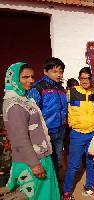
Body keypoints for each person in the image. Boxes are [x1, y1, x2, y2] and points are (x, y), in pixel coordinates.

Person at [3, 62, 60, 199]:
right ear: (14, 79)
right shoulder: (15, 105)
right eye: (25, 77)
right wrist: (34, 165)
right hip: (30, 162)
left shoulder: (24, 99)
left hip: (41, 157)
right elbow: (20, 139)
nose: (31, 81)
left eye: (32, 77)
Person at [63, 67, 94, 199]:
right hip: (77, 134)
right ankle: (67, 192)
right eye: (82, 78)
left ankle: (89, 187)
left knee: (91, 162)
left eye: (87, 78)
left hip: (92, 133)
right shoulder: (71, 91)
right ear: (79, 79)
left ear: (91, 79)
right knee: (73, 165)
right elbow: (63, 108)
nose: (85, 81)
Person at [28, 57, 68, 175]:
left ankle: (55, 188)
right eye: (55, 71)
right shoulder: (38, 88)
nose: (59, 74)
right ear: (46, 71)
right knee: (45, 163)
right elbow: (32, 112)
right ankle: (47, 190)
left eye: (61, 71)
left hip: (60, 131)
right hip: (45, 133)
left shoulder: (61, 88)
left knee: (56, 161)